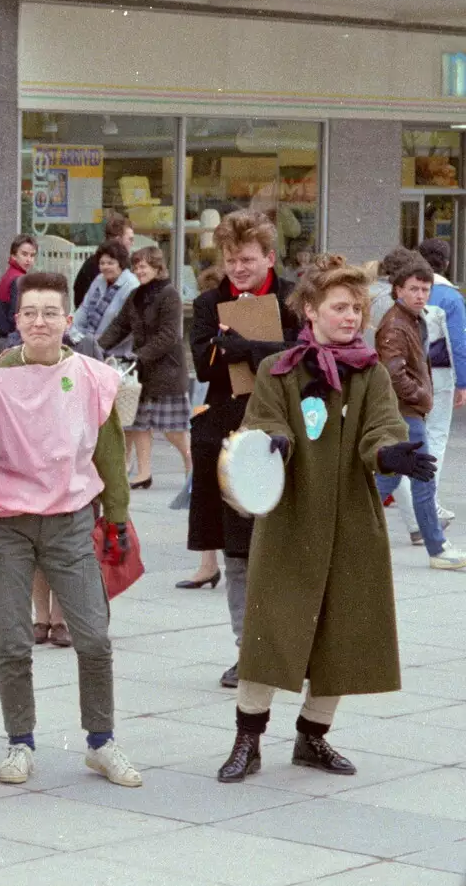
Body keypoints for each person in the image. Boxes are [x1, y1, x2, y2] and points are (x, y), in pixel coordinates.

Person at [217, 255, 423, 784]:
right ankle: (248, 740)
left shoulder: (371, 371)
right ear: (310, 310)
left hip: (353, 523)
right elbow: (262, 422)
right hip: (291, 522)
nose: (351, 316)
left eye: (357, 307)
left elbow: (382, 426)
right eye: (339, 307)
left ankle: (313, 737)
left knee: (344, 634)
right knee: (269, 631)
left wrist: (389, 453)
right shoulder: (277, 369)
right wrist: (274, 441)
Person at [0, 270, 142, 789]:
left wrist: (116, 518)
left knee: (93, 636)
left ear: (68, 320)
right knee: (13, 641)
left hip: (68, 520)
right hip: (5, 524)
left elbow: (109, 453)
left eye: (50, 313)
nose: (39, 321)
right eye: (29, 312)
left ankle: (101, 741)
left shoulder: (91, 377)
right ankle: (20, 743)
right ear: (16, 320)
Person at [188, 211, 299, 687]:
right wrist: (220, 350)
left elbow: (303, 356)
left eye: (247, 260)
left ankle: (288, 646)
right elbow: (202, 367)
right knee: (238, 548)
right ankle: (246, 650)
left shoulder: (294, 299)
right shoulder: (209, 302)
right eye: (231, 260)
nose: (238, 268)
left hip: (281, 432)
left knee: (286, 545)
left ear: (269, 257)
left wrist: (252, 349)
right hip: (229, 432)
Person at [374, 256, 464, 567]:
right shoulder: (397, 324)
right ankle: (437, 548)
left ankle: (340, 523)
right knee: (422, 476)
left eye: (425, 289)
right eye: (414, 288)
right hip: (405, 412)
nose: (420, 294)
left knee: (386, 479)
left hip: (408, 411)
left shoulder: (413, 319)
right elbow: (393, 371)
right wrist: (421, 396)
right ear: (398, 289)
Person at [99, 246, 190, 492]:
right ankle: (143, 473)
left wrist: (139, 355)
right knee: (139, 425)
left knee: (173, 430)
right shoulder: (136, 295)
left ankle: (191, 466)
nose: (140, 271)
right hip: (142, 370)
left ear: (157, 268)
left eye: (144, 266)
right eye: (137, 266)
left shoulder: (169, 294)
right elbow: (120, 325)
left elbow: (169, 335)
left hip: (167, 370)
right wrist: (97, 348)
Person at [407, 237, 466, 532]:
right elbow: (458, 344)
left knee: (411, 433)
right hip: (439, 373)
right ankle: (429, 501)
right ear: (445, 263)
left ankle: (412, 502)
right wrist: (463, 382)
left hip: (407, 371)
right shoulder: (450, 297)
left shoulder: (405, 290)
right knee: (437, 437)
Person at [72, 241, 137, 355]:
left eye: (110, 263)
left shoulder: (132, 285)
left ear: (121, 263)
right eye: (102, 263)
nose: (105, 267)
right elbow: (84, 308)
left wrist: (99, 343)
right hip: (88, 345)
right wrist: (73, 331)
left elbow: (129, 327)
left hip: (115, 353)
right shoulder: (99, 279)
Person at [74, 213, 135, 307]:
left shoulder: (93, 262)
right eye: (130, 239)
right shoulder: (95, 268)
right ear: (118, 241)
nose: (132, 243)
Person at [0, 235, 36, 339]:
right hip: (11, 340)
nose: (29, 259)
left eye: (32, 255)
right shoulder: (18, 279)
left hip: (3, 337)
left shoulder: (10, 274)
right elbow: (16, 314)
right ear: (13, 256)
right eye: (24, 254)